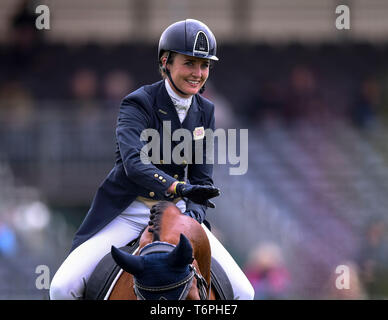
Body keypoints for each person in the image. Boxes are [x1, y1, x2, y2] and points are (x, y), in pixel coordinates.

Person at [50, 19, 254, 300]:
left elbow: (201, 179)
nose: (198, 73)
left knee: (245, 292)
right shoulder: (138, 103)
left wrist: (193, 216)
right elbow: (134, 165)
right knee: (62, 287)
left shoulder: (205, 110)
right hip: (128, 212)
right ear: (166, 62)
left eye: (204, 65)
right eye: (189, 63)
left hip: (176, 215)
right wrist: (177, 188)